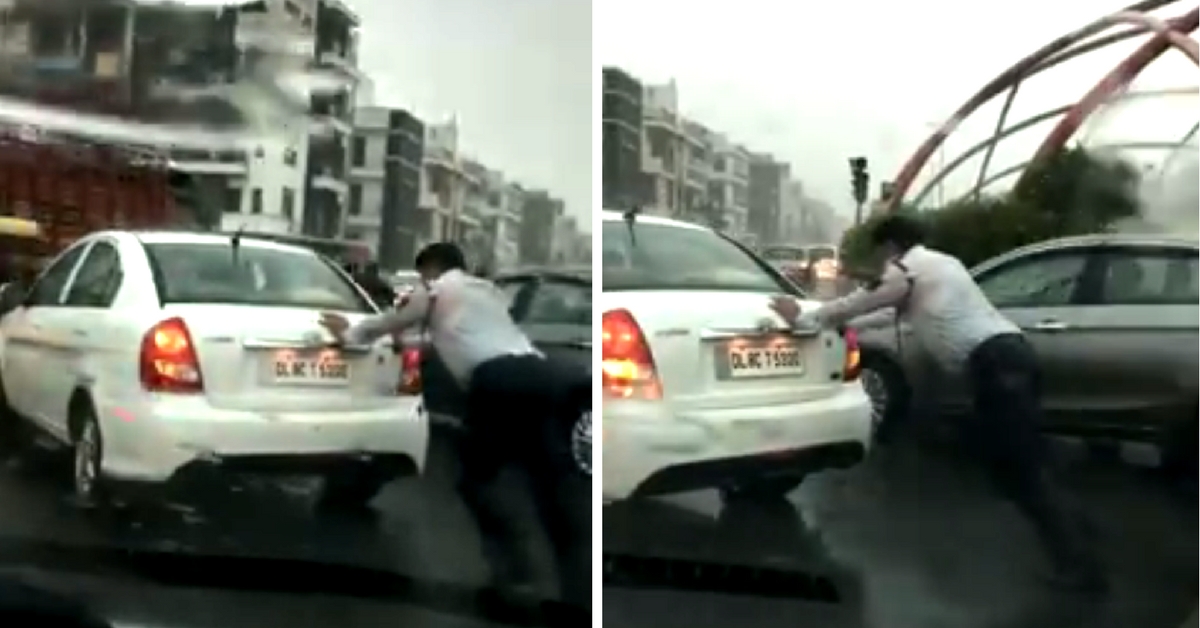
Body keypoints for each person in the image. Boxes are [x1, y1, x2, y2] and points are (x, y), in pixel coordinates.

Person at [769, 214, 1107, 593]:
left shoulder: (904, 271)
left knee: (1019, 470)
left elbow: (857, 302)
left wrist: (803, 318)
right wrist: (844, 326)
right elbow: (881, 310)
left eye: (882, 252)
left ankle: (1079, 565)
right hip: (1012, 357)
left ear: (890, 247)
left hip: (996, 366)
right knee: (1023, 462)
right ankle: (1082, 535)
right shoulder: (943, 264)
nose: (882, 261)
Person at [316, 242, 580, 605]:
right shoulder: (487, 293)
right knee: (544, 478)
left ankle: (513, 573)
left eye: (422, 274)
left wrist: (349, 334)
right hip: (542, 375)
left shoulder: (435, 289)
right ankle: (573, 579)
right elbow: (439, 340)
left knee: (477, 480)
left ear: (431, 269)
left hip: (499, 382)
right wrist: (400, 342)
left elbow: (389, 321)